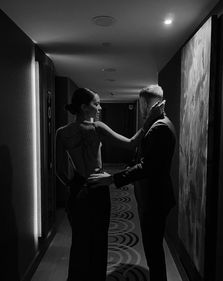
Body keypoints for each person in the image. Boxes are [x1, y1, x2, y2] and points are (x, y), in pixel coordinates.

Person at [55, 87, 165, 281]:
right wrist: (151, 119)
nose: (99, 107)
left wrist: (73, 186)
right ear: (83, 107)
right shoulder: (97, 127)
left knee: (79, 241)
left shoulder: (62, 133)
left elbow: (58, 170)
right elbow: (131, 143)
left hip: (77, 190)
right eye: (95, 103)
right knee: (98, 241)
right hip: (98, 189)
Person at [89, 84, 176, 281]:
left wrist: (112, 178)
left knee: (153, 251)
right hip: (154, 196)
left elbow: (147, 167)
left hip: (155, 198)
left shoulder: (159, 127)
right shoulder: (158, 123)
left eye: (141, 102)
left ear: (144, 102)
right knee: (153, 249)